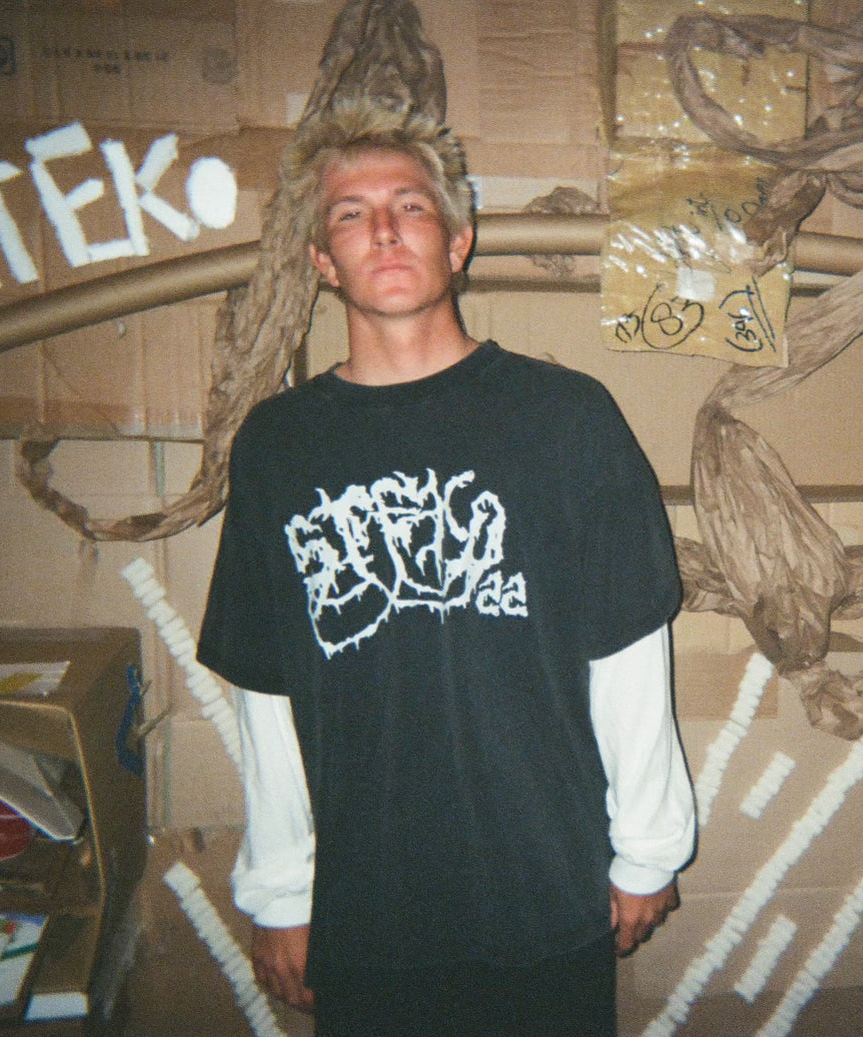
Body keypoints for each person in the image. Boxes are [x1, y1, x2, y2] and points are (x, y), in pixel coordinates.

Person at [197, 101, 695, 1037]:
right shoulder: (278, 445)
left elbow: (629, 648)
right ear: (321, 258)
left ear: (458, 241)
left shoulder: (566, 418)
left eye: (411, 206)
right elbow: (267, 688)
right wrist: (280, 887)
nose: (384, 229)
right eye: (351, 213)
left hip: (547, 888)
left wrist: (647, 847)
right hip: (367, 909)